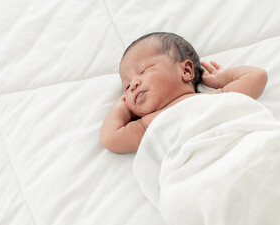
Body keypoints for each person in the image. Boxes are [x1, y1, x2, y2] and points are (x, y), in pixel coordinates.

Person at [100, 32, 268, 154]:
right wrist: (121, 109)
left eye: (143, 70)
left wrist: (220, 79)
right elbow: (111, 138)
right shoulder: (146, 125)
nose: (134, 85)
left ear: (186, 71)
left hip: (243, 150)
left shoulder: (216, 96)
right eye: (127, 87)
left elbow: (257, 76)